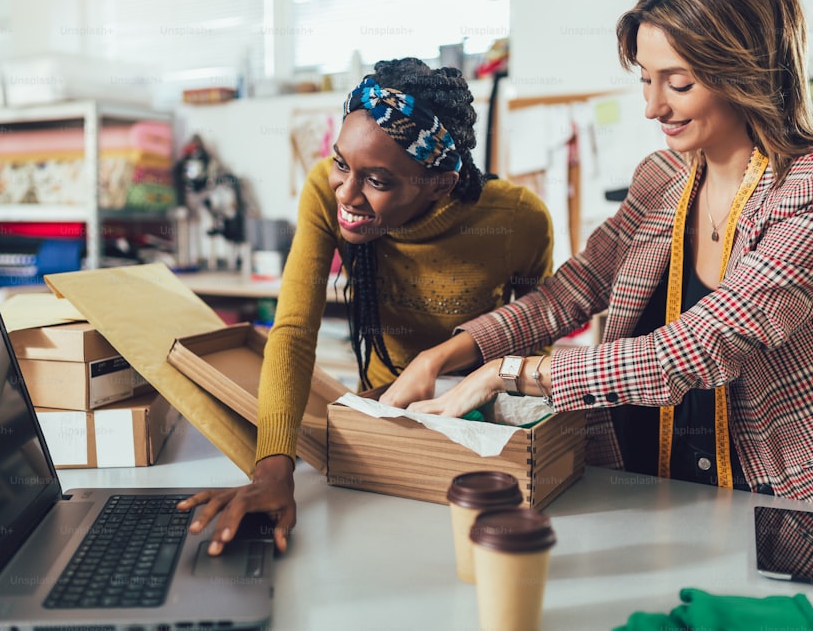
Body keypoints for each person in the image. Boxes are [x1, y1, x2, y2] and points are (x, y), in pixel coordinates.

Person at [382, 0, 813, 514]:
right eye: (646, 79)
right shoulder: (662, 179)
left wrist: (508, 374)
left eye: (679, 83)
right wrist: (440, 357)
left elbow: (697, 349)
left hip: (793, 506)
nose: (653, 107)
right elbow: (566, 296)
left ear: (749, 71)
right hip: (652, 488)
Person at [180, 57, 554, 552]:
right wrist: (272, 470)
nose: (347, 195)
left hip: (476, 438)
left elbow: (533, 360)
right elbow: (292, 331)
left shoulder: (517, 218)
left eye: (378, 181)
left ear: (439, 183)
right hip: (378, 431)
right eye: (341, 163)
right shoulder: (325, 190)